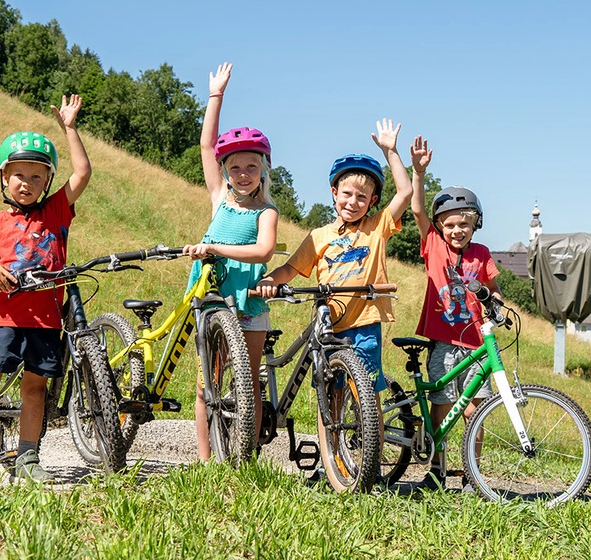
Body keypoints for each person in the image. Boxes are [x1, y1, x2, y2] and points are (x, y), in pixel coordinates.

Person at [0, 94, 90, 484]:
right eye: (19, 175)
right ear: (5, 178)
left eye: (37, 176)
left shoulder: (57, 211)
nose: (27, 183)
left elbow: (82, 173)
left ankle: (28, 457)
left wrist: (70, 129)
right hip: (6, 316)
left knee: (35, 389)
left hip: (45, 321)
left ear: (47, 183)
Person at [257, 119, 413, 412]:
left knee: (368, 400)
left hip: (365, 323)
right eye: (347, 194)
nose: (353, 202)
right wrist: (270, 280)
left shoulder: (377, 227)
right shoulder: (319, 237)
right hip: (330, 325)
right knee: (331, 396)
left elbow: (405, 193)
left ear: (372, 201)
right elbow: (290, 269)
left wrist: (391, 151)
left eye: (362, 197)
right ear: (334, 192)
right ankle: (332, 458)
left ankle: (371, 455)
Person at [185, 63, 279, 461]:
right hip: (210, 295)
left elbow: (262, 253)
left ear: (263, 171)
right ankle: (207, 460)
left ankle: (246, 457)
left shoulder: (267, 211)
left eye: (251, 167)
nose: (243, 174)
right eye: (235, 167)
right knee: (209, 382)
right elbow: (207, 145)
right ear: (226, 170)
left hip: (249, 301)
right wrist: (215, 96)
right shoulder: (219, 197)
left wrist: (215, 248)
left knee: (249, 382)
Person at [407, 136, 501, 491]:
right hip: (444, 342)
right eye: (449, 225)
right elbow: (417, 210)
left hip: (477, 341)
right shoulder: (432, 244)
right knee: (442, 407)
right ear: (440, 227)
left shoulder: (482, 252)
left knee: (476, 411)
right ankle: (435, 469)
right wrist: (418, 172)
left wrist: (498, 307)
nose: (456, 230)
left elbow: (493, 289)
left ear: (475, 224)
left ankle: (472, 475)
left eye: (463, 224)